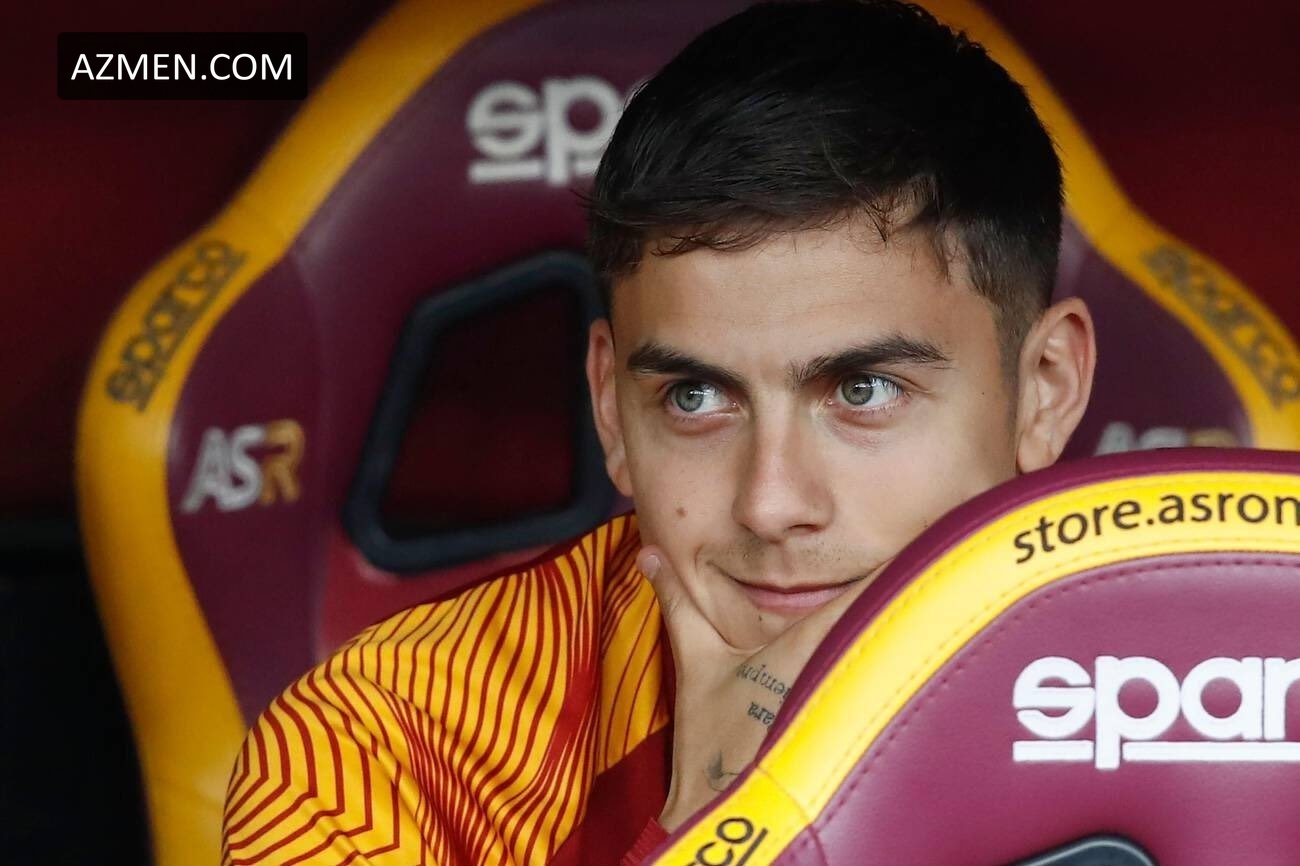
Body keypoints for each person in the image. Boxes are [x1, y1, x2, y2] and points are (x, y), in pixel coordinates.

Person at [221, 1, 1094, 864]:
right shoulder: (379, 752)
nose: (770, 504)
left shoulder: (1177, 681)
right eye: (695, 397)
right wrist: (718, 833)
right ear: (610, 406)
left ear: (1044, 391)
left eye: (863, 391)